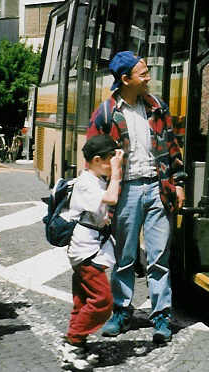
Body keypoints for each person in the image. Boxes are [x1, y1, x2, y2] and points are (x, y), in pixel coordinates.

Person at [89, 51, 185, 345]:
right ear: (125, 79)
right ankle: (121, 312)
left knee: (159, 257)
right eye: (143, 74)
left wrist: (179, 183)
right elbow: (92, 157)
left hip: (159, 187)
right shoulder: (105, 113)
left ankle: (161, 317)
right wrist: (101, 196)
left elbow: (172, 146)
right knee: (125, 257)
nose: (148, 78)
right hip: (126, 190)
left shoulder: (157, 107)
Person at [61, 135, 123, 370]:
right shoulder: (85, 182)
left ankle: (78, 345)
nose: (114, 163)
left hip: (91, 247)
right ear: (97, 160)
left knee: (83, 300)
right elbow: (111, 198)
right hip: (86, 251)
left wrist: (113, 170)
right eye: (110, 159)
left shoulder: (95, 178)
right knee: (102, 301)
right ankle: (73, 342)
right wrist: (116, 173)